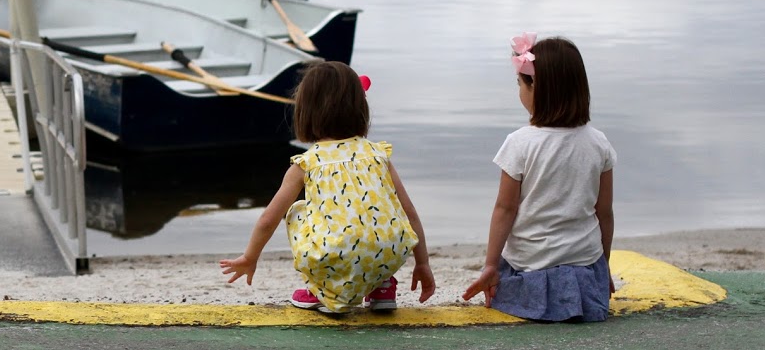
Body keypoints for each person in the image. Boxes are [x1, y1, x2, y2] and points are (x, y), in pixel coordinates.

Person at [221, 61, 435, 313]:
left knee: (297, 211)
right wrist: (423, 263)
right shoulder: (377, 154)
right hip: (391, 253)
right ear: (360, 108)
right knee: (380, 216)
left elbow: (269, 218)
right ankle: (383, 285)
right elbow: (408, 212)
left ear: (305, 111)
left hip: (335, 256)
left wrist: (249, 257)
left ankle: (323, 290)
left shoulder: (307, 163)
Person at [462, 34, 617, 322]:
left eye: (520, 84)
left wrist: (490, 265)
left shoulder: (520, 143)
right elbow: (604, 213)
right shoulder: (599, 143)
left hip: (530, 270)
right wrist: (603, 268)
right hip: (585, 270)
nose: (519, 91)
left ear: (537, 89)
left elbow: (505, 209)